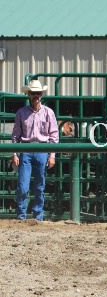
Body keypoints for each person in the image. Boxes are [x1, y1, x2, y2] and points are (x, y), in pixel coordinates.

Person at [11, 79, 59, 221]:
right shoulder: (21, 113)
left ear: (41, 95)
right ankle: (22, 215)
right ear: (29, 95)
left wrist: (52, 155)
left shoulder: (48, 113)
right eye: (33, 93)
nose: (35, 96)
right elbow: (15, 135)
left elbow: (54, 135)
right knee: (23, 186)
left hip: (41, 150)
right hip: (26, 150)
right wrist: (14, 153)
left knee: (39, 186)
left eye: (38, 93)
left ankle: (37, 216)